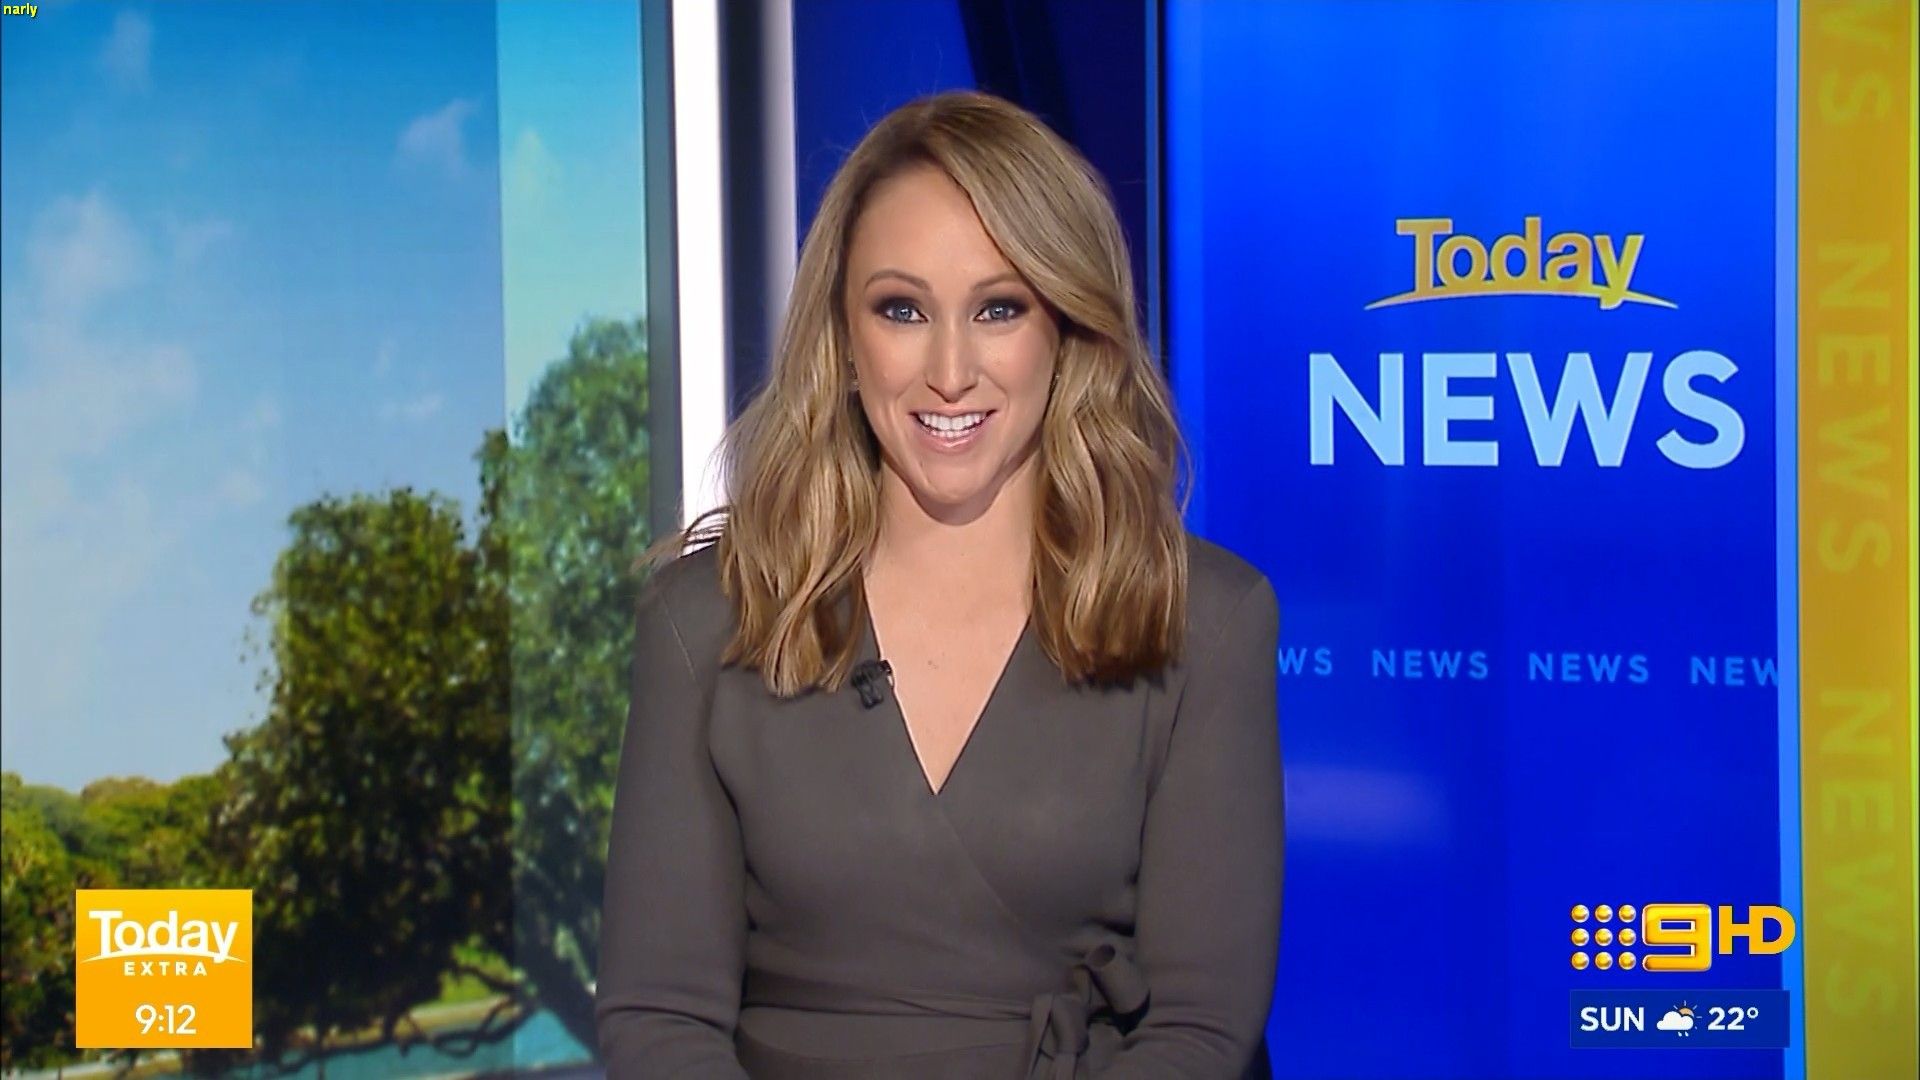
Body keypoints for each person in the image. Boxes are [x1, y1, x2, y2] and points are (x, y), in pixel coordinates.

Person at [595, 89, 1282, 1079]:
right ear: (843, 337)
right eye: (902, 310)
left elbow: (1199, 1031)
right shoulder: (706, 620)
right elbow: (660, 1018)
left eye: (999, 308)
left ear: (1066, 328)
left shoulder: (1204, 622)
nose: (950, 371)